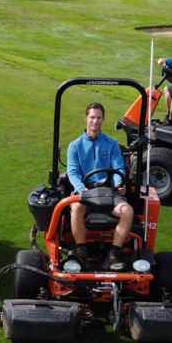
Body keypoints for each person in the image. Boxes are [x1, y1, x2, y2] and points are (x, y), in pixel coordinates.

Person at [66, 102, 134, 271]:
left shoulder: (111, 144)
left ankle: (113, 254)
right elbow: (73, 173)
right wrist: (83, 191)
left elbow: (118, 168)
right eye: (92, 117)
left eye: (99, 117)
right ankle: (81, 250)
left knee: (127, 211)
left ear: (103, 119)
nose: (95, 121)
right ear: (86, 118)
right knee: (75, 207)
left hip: (107, 193)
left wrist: (119, 184)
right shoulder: (74, 146)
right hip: (85, 191)